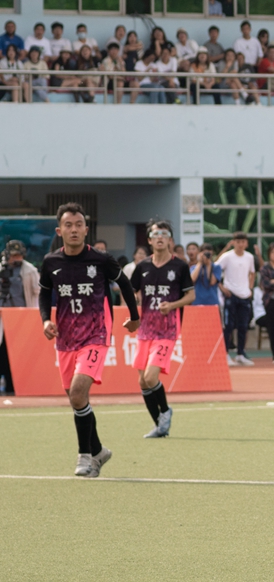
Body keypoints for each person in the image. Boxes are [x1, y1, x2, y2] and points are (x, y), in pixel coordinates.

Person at [39, 202, 140, 477]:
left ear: (86, 229)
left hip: (96, 335)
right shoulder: (51, 262)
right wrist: (46, 320)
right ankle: (98, 451)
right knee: (76, 399)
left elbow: (126, 284)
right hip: (66, 337)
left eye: (78, 225)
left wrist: (134, 316)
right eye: (68, 225)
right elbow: (44, 294)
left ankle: (85, 458)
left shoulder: (102, 259)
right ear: (60, 231)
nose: (74, 230)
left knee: (78, 392)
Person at [130, 220, 194, 438]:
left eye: (164, 234)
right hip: (145, 329)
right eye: (156, 234)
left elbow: (191, 295)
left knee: (150, 377)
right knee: (142, 381)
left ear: (169, 240)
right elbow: (130, 291)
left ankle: (165, 411)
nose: (160, 237)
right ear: (149, 240)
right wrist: (132, 313)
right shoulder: (143, 267)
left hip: (167, 330)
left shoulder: (180, 266)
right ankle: (159, 425)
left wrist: (172, 305)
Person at [215, 232, 257, 367]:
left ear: (246, 244)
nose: (240, 244)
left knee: (243, 326)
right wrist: (222, 288)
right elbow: (215, 270)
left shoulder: (249, 257)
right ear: (234, 242)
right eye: (238, 242)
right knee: (228, 326)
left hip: (244, 295)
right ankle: (225, 353)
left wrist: (250, 288)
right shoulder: (227, 257)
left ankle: (240, 353)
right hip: (230, 295)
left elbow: (252, 273)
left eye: (243, 242)